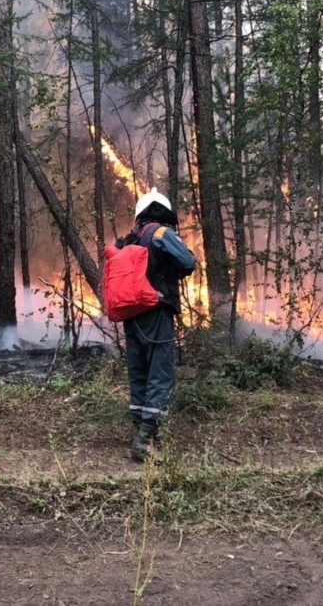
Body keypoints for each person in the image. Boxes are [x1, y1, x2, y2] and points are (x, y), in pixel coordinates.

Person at [117, 188, 196, 462]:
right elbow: (188, 262)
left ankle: (143, 432)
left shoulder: (129, 239)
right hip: (156, 311)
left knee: (139, 372)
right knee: (160, 373)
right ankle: (145, 440)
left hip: (131, 314)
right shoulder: (162, 234)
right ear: (163, 214)